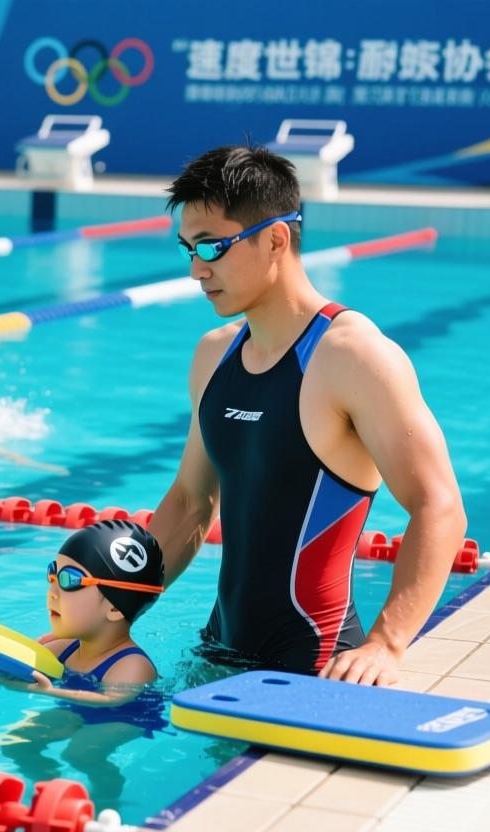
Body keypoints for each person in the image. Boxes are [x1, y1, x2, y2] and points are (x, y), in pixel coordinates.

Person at [147, 145, 467, 687]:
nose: (197, 269)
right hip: (217, 651)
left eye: (212, 246)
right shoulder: (214, 354)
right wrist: (108, 611)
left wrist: (386, 645)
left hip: (315, 667)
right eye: (189, 249)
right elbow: (189, 503)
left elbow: (440, 506)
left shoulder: (354, 357)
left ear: (276, 239)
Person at [0, 519, 169, 808]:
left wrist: (50, 692)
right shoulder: (64, 646)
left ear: (114, 607)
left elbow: (112, 700)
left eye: (70, 580)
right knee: (19, 743)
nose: (52, 590)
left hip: (127, 717)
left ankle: (107, 799)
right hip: (76, 708)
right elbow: (18, 656)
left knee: (81, 753)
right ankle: (52, 795)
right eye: (52, 574)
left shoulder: (132, 664)